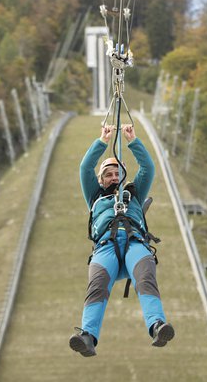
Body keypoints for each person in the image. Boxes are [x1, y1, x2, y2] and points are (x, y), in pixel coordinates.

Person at [69, 124, 174, 357]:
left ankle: (157, 325)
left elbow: (148, 168)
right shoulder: (95, 196)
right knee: (96, 287)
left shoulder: (134, 194)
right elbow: (85, 167)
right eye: (109, 174)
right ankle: (88, 336)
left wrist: (133, 140)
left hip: (135, 243)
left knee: (145, 277)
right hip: (106, 246)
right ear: (101, 179)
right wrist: (102, 142)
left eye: (118, 174)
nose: (114, 177)